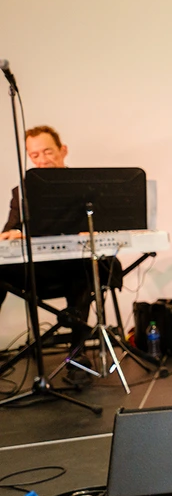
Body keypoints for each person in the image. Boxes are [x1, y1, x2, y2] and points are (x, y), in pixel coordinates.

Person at [0, 126, 107, 358]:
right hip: (40, 271)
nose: (42, 160)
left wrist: (92, 231)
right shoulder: (22, 191)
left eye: (47, 152)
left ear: (63, 150)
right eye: (34, 155)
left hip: (77, 267)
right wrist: (13, 234)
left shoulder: (86, 187)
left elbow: (106, 225)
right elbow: (9, 230)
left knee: (84, 271)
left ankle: (77, 356)